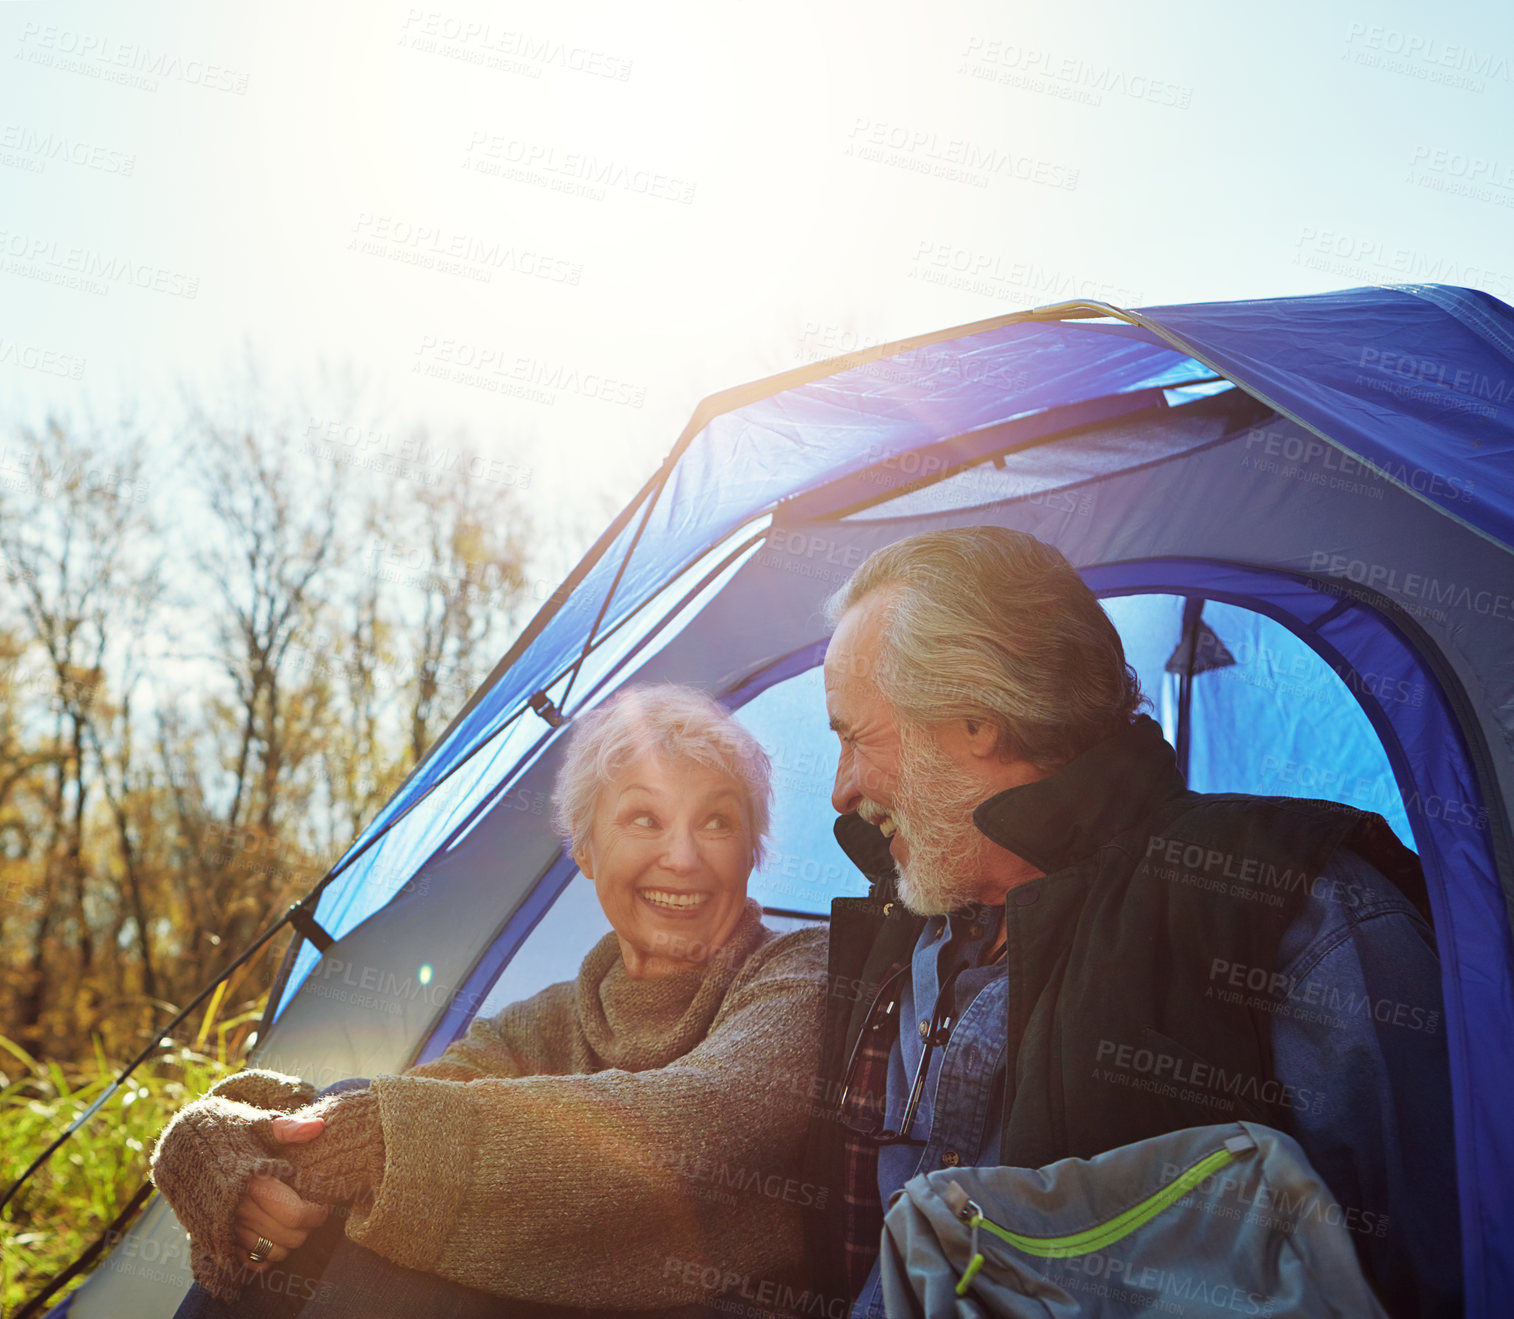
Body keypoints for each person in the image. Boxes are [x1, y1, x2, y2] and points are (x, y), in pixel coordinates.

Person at [800, 527, 1461, 1319]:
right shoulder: (911, 925)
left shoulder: (1288, 907)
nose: (840, 789)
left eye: (853, 735)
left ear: (975, 716)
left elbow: (1443, 1270)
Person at [152, 684, 828, 1318]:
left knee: (375, 1220)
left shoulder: (800, 972)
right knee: (310, 1232)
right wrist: (217, 1138)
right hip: (537, 1296)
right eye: (644, 817)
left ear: (752, 851)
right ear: (586, 851)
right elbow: (399, 1104)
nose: (682, 855)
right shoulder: (542, 1023)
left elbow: (709, 1117)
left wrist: (371, 1139)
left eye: (716, 820)